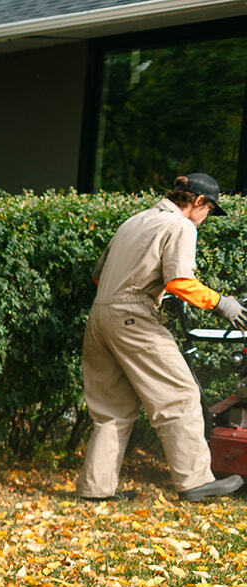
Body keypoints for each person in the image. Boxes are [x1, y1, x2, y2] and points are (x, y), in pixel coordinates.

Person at [77, 172, 247, 503]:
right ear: (198, 201)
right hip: (132, 318)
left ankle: (95, 490)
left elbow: (98, 277)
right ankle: (194, 481)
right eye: (209, 211)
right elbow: (180, 283)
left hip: (100, 317)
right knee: (179, 396)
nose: (205, 218)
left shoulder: (134, 221)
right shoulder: (180, 226)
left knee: (112, 409)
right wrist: (224, 304)